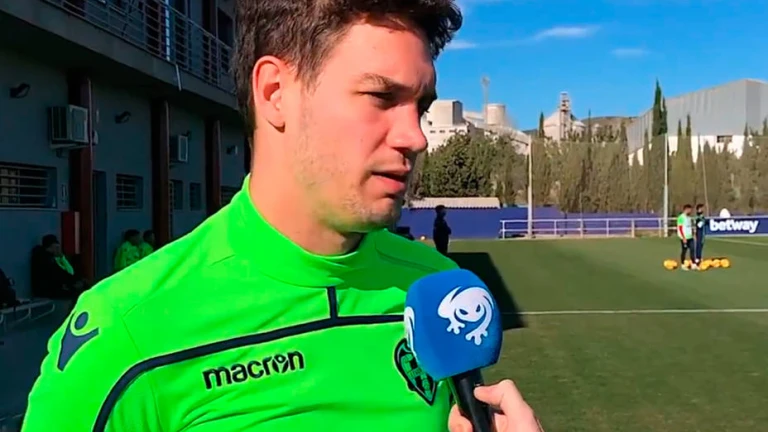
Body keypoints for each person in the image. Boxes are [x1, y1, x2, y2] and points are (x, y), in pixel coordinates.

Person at [23, 1, 540, 431]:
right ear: (275, 92)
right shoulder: (126, 336)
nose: (416, 136)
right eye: (381, 97)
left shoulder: (438, 292)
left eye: (420, 107)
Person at [676, 204, 696, 270]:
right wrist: (683, 237)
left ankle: (693, 264)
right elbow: (680, 228)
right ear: (686, 209)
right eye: (689, 210)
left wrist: (693, 234)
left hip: (690, 237)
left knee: (692, 249)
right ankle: (683, 264)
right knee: (684, 251)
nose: (690, 211)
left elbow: (690, 227)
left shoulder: (689, 217)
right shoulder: (681, 217)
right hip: (684, 237)